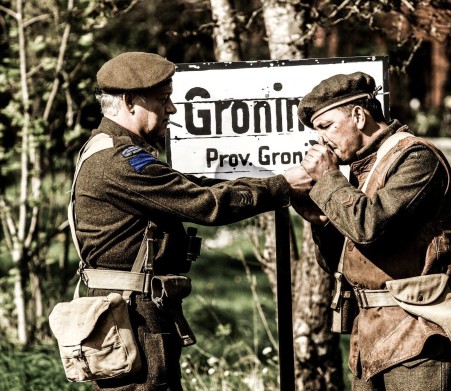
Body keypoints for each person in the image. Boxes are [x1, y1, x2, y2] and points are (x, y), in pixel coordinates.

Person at [70, 51, 306, 390]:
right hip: (133, 316)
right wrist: (282, 186)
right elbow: (204, 203)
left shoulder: (109, 149)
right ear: (130, 101)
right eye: (164, 100)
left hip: (131, 308)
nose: (172, 109)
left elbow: (192, 187)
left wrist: (274, 183)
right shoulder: (119, 162)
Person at [291, 71, 451, 390]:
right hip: (370, 336)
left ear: (359, 116)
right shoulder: (360, 170)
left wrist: (329, 179)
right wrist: (321, 224)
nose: (322, 141)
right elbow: (343, 260)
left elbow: (369, 227)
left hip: (421, 334)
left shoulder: (416, 158)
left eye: (326, 127)